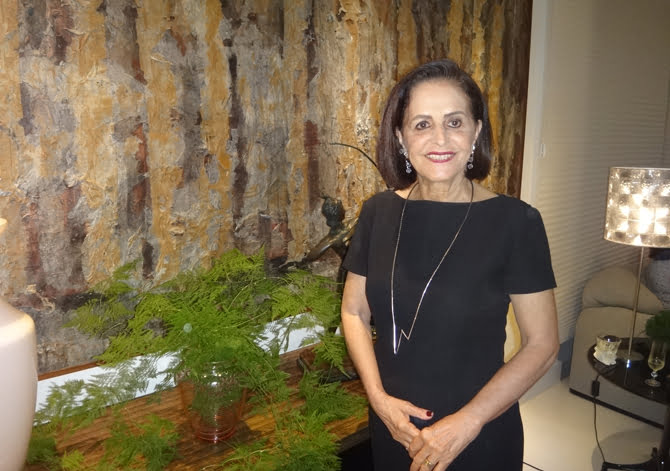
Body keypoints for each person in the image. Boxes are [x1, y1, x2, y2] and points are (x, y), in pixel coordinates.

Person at [340, 59, 559, 471]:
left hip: (478, 433)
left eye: (454, 122)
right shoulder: (377, 212)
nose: (439, 138)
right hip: (394, 428)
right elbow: (354, 311)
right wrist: (379, 400)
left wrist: (468, 422)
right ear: (400, 137)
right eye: (422, 124)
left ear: (476, 131)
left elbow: (542, 344)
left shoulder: (516, 222)